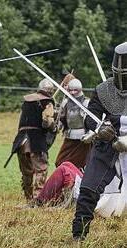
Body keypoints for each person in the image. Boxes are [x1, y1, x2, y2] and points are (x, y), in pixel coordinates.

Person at [72, 42, 127, 240]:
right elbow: (91, 117)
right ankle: (79, 236)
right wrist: (98, 129)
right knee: (88, 189)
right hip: (108, 145)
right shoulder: (104, 90)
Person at [12, 78, 55, 202]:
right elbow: (47, 121)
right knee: (41, 169)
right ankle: (37, 199)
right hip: (36, 140)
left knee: (26, 172)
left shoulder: (27, 101)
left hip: (21, 140)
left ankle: (28, 198)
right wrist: (53, 127)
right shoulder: (47, 102)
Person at [55, 78, 91, 169]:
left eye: (75, 90)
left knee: (80, 163)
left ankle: (76, 180)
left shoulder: (86, 102)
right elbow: (62, 119)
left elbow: (91, 121)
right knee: (60, 161)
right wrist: (57, 125)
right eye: (71, 90)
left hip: (83, 138)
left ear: (80, 90)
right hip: (69, 135)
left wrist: (90, 133)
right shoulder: (65, 102)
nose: (73, 93)